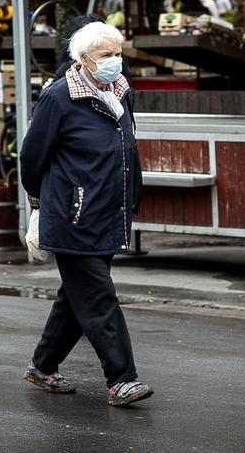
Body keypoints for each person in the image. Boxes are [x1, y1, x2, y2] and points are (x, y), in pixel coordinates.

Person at [20, 21, 151, 408]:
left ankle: (42, 366)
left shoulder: (121, 92)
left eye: (118, 53)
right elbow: (32, 156)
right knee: (98, 298)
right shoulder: (59, 98)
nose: (115, 62)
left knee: (76, 299)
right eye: (106, 55)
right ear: (82, 59)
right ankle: (122, 379)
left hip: (110, 212)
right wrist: (42, 199)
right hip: (72, 216)